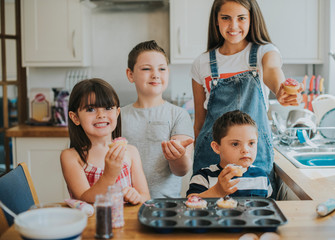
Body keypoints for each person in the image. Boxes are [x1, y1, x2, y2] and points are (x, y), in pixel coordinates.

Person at [191, 0, 303, 192]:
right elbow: (200, 122)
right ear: (216, 21)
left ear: (251, 20)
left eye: (241, 18)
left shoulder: (264, 52)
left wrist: (280, 90)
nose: (233, 26)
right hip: (211, 157)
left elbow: (272, 70)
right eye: (225, 18)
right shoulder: (202, 63)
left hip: (253, 156)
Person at [121, 40, 194, 198]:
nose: (155, 74)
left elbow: (181, 170)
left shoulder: (179, 115)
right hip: (124, 203)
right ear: (130, 74)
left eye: (162, 69)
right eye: (146, 69)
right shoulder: (117, 116)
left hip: (165, 207)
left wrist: (178, 157)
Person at [60, 78, 150, 204]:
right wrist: (110, 174)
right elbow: (84, 199)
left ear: (117, 113)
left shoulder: (130, 152)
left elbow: (145, 195)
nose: (101, 115)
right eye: (91, 109)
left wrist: (137, 197)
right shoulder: (71, 157)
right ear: (75, 118)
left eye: (108, 108)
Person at [187, 110, 272, 198]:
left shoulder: (262, 177)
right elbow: (190, 205)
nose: (245, 150)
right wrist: (217, 192)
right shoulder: (203, 177)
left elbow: (269, 208)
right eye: (235, 144)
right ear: (216, 147)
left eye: (251, 143)